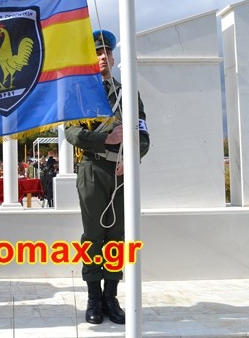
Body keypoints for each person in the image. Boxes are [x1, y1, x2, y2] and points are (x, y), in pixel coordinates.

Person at [65, 30, 150, 325]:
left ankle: (111, 297)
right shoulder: (77, 95)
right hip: (92, 170)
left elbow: (143, 135)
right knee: (93, 236)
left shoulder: (128, 94)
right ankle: (93, 298)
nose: (102, 57)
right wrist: (104, 140)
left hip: (121, 172)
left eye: (106, 53)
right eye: (97, 53)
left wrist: (131, 157)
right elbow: (71, 133)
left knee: (117, 236)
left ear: (113, 58)